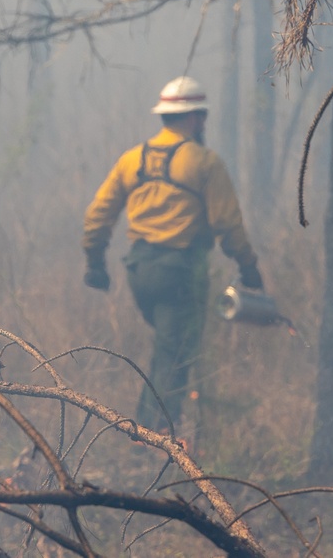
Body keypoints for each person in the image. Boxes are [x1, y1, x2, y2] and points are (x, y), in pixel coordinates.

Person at [82, 75, 263, 433]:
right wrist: (249, 267)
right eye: (202, 117)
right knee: (177, 353)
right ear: (195, 118)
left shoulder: (131, 159)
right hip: (179, 272)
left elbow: (96, 217)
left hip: (140, 273)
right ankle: (156, 435)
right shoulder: (204, 162)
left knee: (167, 348)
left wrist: (95, 263)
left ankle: (147, 430)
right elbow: (228, 224)